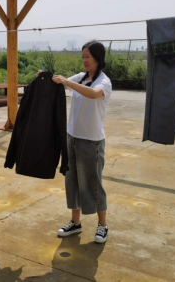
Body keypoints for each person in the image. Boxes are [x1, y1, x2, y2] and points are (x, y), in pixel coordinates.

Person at [51, 41, 112, 243]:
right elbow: (60, 83)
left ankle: (102, 225)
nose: (84, 60)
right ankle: (75, 222)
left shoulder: (104, 82)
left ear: (98, 58)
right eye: (82, 57)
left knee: (93, 184)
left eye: (87, 56)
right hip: (73, 137)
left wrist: (67, 83)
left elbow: (93, 94)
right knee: (72, 182)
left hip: (91, 141)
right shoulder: (81, 77)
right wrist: (48, 78)